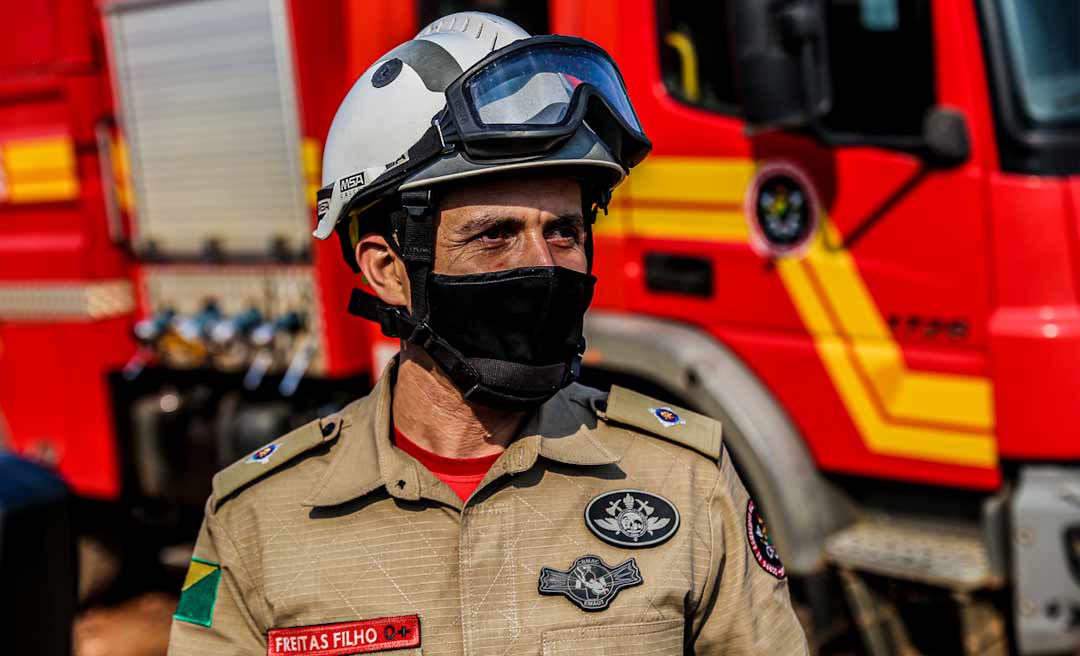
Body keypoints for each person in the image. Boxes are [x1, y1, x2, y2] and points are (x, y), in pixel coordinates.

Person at [167, 12, 808, 655]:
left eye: (564, 232)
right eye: (494, 235)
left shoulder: (687, 480)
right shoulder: (251, 518)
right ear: (388, 270)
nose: (543, 265)